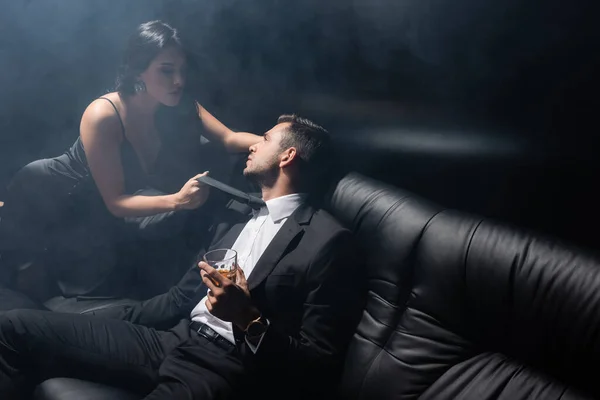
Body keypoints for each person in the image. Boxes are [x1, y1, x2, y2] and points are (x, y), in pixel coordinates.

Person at [0, 115, 364, 400]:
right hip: (172, 340)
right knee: (13, 327)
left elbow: (317, 367)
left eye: (266, 138)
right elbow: (179, 297)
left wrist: (248, 317)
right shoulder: (239, 215)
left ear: (288, 156)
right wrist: (110, 317)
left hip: (225, 365)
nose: (254, 144)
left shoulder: (329, 242)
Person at [0, 20, 262, 299]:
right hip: (48, 197)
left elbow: (229, 138)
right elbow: (117, 202)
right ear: (138, 69)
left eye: (182, 70)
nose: (179, 81)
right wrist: (177, 200)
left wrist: (277, 141)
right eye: (166, 70)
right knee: (15, 276)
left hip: (89, 217)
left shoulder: (177, 105)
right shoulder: (104, 114)